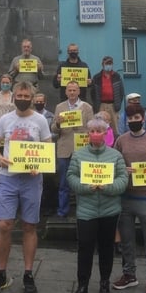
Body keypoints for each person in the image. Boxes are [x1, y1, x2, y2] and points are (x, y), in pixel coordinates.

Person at [0, 81, 52, 293]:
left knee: (29, 226)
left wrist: (39, 165)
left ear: (32, 97)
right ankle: (1, 272)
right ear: (13, 96)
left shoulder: (40, 120)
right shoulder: (5, 119)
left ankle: (28, 273)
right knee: (4, 225)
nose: (22, 98)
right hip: (8, 177)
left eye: (26, 95)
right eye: (19, 95)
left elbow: (47, 148)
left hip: (32, 179)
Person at [67, 118, 128, 293]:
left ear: (105, 133)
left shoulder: (115, 155)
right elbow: (71, 176)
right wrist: (85, 187)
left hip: (109, 210)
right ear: (87, 134)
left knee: (106, 248)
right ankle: (83, 285)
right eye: (92, 131)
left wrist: (107, 187)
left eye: (98, 131)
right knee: (85, 248)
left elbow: (123, 180)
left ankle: (104, 284)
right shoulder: (78, 155)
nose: (94, 134)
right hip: (86, 210)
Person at [112, 103, 146, 293]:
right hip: (125, 198)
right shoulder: (121, 140)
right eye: (130, 118)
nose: (133, 121)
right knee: (126, 240)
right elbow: (115, 164)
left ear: (143, 118)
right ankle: (129, 275)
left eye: (137, 118)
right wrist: (121, 172)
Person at [51, 81, 94, 218]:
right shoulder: (60, 107)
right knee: (64, 183)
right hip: (64, 149)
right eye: (69, 90)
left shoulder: (86, 107)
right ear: (66, 92)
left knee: (83, 182)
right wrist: (58, 123)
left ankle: (84, 210)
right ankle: (62, 211)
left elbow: (91, 128)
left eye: (74, 90)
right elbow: (53, 129)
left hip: (82, 149)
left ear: (79, 91)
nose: (72, 93)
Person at [91, 56, 123, 134]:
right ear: (102, 64)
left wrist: (118, 105)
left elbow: (121, 92)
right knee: (99, 127)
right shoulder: (96, 77)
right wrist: (96, 106)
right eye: (107, 63)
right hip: (101, 105)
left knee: (115, 128)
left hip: (113, 105)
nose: (108, 65)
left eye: (110, 63)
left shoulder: (117, 76)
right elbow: (92, 93)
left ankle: (115, 144)